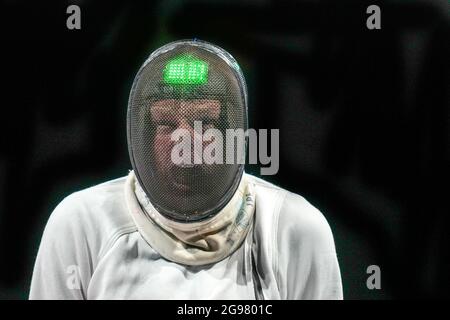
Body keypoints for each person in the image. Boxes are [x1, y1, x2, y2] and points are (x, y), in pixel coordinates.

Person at [29, 40, 343, 299]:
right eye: (166, 124)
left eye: (205, 123)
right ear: (145, 132)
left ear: (232, 132)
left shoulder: (294, 229)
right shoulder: (82, 224)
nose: (186, 142)